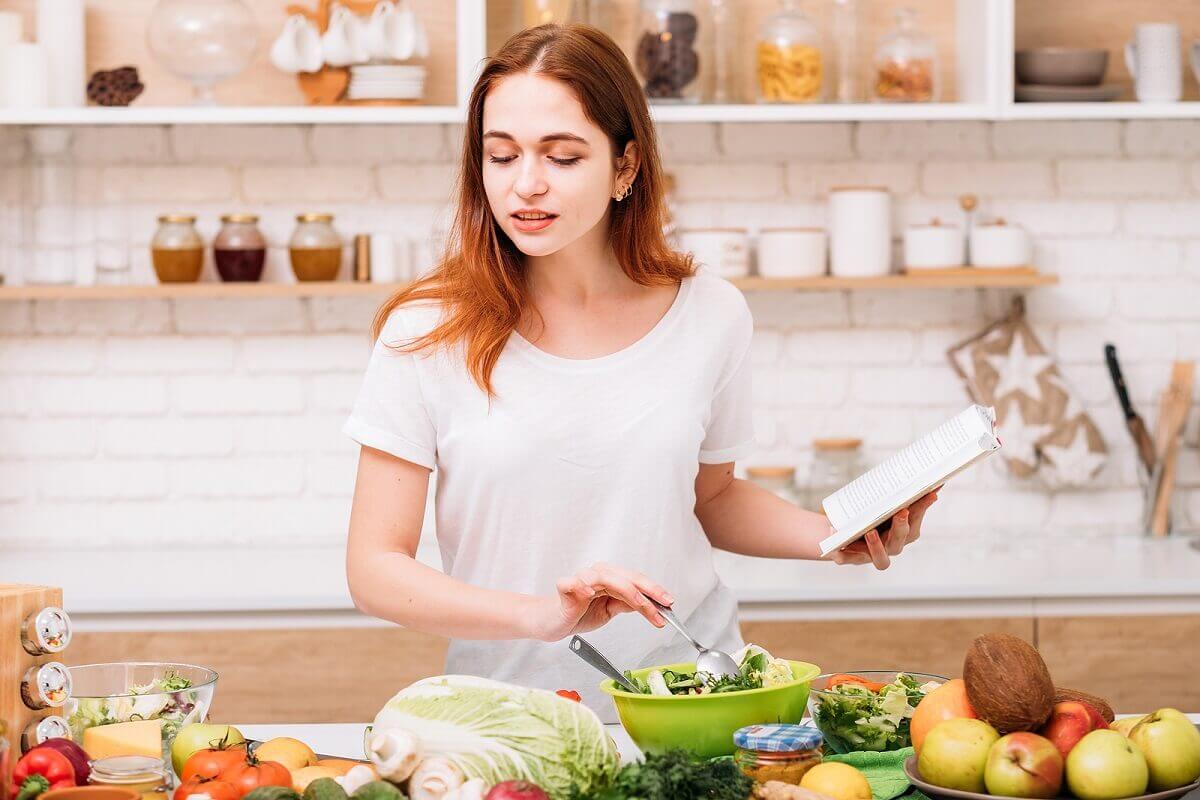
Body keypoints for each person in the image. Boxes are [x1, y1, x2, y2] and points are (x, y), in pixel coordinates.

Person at [343, 23, 938, 716]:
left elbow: (712, 499)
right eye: (500, 156)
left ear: (626, 167)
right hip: (510, 712)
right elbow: (373, 569)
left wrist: (838, 536)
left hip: (698, 700)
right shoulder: (427, 330)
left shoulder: (710, 312)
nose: (525, 185)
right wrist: (541, 614)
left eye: (562, 157)